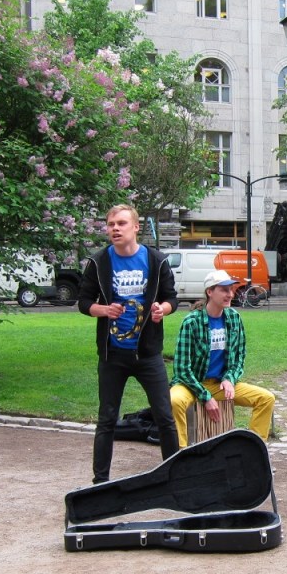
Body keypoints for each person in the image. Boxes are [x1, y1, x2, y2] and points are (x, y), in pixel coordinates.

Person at [78, 204, 179, 484]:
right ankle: (100, 482)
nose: (114, 229)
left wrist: (163, 309)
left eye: (121, 223)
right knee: (107, 419)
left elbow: (173, 298)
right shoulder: (99, 262)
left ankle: (173, 476)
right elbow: (84, 303)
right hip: (113, 355)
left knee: (164, 417)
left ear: (135, 227)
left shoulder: (156, 260)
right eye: (110, 224)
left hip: (147, 354)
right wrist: (104, 310)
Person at [169, 270, 276, 446]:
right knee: (174, 401)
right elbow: (181, 369)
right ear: (209, 292)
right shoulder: (191, 322)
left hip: (219, 384)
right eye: (224, 290)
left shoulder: (234, 318)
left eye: (231, 290)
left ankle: (254, 451)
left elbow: (239, 357)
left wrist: (229, 378)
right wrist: (204, 396)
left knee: (266, 398)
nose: (230, 294)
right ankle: (179, 455)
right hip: (191, 384)